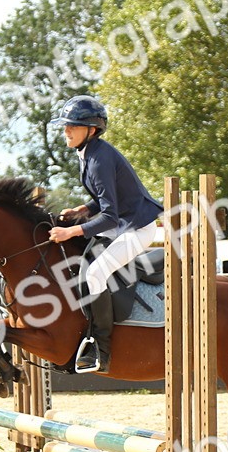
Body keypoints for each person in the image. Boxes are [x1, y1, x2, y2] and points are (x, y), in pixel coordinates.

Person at [45, 95, 162, 374]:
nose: (66, 131)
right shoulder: (90, 153)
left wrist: (70, 230)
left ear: (92, 129)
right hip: (121, 223)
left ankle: (101, 346)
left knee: (95, 273)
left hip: (136, 228)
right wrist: (82, 208)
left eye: (72, 126)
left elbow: (110, 214)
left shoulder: (98, 159)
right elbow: (105, 200)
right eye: (66, 126)